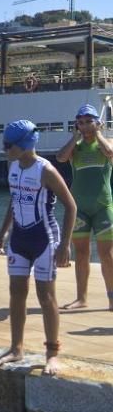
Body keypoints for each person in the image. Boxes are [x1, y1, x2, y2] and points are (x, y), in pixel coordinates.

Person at [0, 121, 75, 377]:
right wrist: (3, 231)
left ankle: (52, 354)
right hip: (19, 238)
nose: (4, 149)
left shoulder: (45, 170)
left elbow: (70, 206)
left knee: (45, 296)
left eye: (9, 145)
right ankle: (16, 347)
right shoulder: (13, 166)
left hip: (44, 239)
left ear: (24, 145)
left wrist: (64, 245)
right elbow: (13, 200)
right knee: (16, 292)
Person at [55, 104, 113, 311]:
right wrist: (74, 138)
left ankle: (112, 298)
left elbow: (110, 153)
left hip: (103, 206)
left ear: (98, 123)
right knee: (81, 253)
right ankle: (81, 298)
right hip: (80, 208)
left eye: (90, 121)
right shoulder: (76, 148)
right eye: (81, 122)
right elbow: (60, 158)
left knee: (107, 254)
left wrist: (98, 134)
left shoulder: (105, 143)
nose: (85, 126)